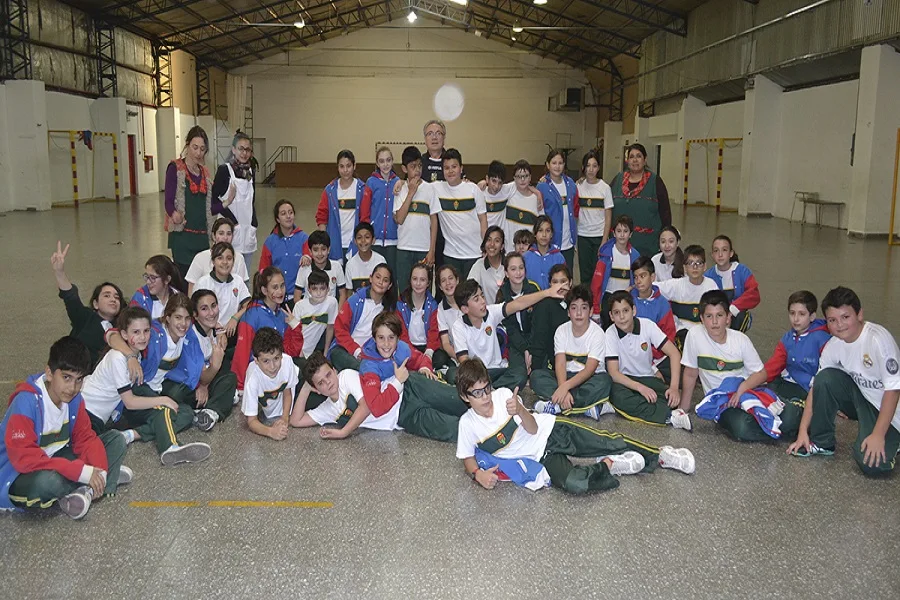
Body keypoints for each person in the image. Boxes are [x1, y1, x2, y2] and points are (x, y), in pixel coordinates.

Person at [455, 358, 694, 494]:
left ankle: (661, 455)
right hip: (540, 458)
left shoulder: (504, 396)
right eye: (476, 393)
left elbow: (533, 429)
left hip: (552, 431)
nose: (485, 396)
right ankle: (610, 465)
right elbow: (467, 458)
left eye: (486, 388)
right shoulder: (467, 424)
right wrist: (478, 475)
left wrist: (519, 410)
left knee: (606, 441)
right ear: (465, 396)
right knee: (575, 484)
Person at [0, 337, 130, 519]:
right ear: (50, 372)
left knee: (115, 440)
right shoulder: (26, 402)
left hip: (55, 460)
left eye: (79, 380)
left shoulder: (75, 400)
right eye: (66, 378)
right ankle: (99, 480)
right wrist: (80, 471)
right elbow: (25, 459)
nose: (72, 388)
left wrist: (97, 470)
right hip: (17, 475)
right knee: (48, 483)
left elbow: (85, 438)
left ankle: (91, 485)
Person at [788, 287, 900, 475]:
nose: (839, 325)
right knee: (826, 378)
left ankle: (893, 440)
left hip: (890, 408)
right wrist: (802, 432)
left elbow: (893, 390)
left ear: (859, 314)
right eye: (832, 320)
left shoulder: (878, 340)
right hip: (863, 399)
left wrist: (878, 435)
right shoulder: (833, 345)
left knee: (872, 465)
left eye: (845, 317)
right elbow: (816, 388)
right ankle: (823, 442)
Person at [87, 305, 212, 465]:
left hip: (105, 416)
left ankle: (154, 443)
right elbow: (130, 402)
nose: (143, 337)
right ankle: (170, 446)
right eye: (136, 332)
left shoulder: (136, 355)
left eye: (146, 331)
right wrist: (163, 399)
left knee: (177, 413)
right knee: (84, 451)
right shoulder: (118, 358)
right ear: (124, 334)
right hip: (88, 412)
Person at [292, 346, 466, 442]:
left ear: (334, 370)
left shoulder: (345, 376)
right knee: (453, 429)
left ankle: (493, 400)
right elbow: (296, 421)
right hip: (404, 417)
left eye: (328, 375)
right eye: (320, 383)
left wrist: (343, 432)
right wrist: (307, 387)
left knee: (460, 400)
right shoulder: (329, 409)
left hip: (409, 388)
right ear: (317, 389)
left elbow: (367, 406)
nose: (328, 382)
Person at [681, 291, 785, 442]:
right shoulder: (694, 335)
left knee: (786, 414)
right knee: (741, 427)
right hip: (722, 402)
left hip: (748, 391)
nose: (715, 322)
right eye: (709, 316)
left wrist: (741, 389)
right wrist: (683, 409)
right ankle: (775, 429)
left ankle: (777, 425)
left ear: (728, 318)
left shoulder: (741, 340)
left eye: (720, 315)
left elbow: (761, 374)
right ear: (702, 319)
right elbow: (691, 373)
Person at [447, 277, 567, 389]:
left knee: (519, 376)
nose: (483, 301)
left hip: (496, 371)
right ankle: (489, 389)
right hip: (476, 374)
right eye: (476, 299)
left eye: (482, 296)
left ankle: (486, 390)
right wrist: (476, 378)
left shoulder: (491, 313)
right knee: (452, 374)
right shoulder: (458, 326)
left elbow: (518, 304)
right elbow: (464, 360)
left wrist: (548, 292)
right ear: (465, 309)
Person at [605, 291, 691, 430]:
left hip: (647, 377)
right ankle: (670, 417)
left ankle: (652, 408)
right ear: (611, 316)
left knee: (671, 397)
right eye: (616, 313)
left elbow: (674, 353)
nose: (622, 317)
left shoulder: (647, 325)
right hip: (624, 382)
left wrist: (674, 388)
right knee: (617, 395)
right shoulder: (610, 333)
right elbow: (614, 373)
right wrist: (640, 388)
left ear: (634, 310)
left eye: (625, 311)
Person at [530, 285, 615, 420]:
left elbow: (590, 369)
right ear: (568, 312)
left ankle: (556, 406)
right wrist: (563, 386)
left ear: (591, 311)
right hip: (565, 377)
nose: (579, 313)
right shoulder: (561, 331)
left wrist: (564, 388)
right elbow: (560, 364)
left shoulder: (598, 333)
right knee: (536, 377)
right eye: (574, 308)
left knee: (605, 381)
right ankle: (587, 407)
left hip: (589, 378)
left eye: (584, 308)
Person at [50, 241, 125, 369]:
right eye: (106, 296)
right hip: (74, 372)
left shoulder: (122, 326)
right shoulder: (85, 318)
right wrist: (59, 273)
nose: (113, 299)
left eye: (116, 297)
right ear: (95, 303)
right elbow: (71, 297)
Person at [232, 267, 304, 392]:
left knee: (305, 368)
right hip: (259, 369)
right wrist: (241, 386)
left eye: (282, 286)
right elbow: (242, 352)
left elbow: (291, 351)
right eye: (275, 287)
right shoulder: (252, 315)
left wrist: (295, 327)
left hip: (277, 365)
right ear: (264, 290)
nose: (280, 291)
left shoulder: (282, 314)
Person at [331, 263, 410, 371]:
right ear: (371, 278)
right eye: (378, 277)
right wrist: (356, 350)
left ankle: (369, 370)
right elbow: (340, 330)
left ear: (390, 286)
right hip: (349, 349)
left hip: (374, 352)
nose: (381, 282)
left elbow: (401, 334)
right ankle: (366, 370)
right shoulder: (355, 300)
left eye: (385, 280)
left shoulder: (391, 308)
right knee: (336, 354)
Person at [164, 125, 218, 277]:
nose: (198, 153)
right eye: (195, 147)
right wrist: (173, 214)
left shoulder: (205, 172)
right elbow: (168, 201)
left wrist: (227, 203)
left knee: (202, 282)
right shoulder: (175, 168)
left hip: (202, 238)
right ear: (187, 145)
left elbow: (211, 205)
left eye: (202, 149)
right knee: (184, 280)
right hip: (182, 237)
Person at [763, 291, 831, 407]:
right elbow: (773, 365)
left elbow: (830, 373)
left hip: (807, 389)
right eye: (792, 313)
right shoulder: (787, 338)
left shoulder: (822, 339)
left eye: (802, 314)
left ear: (812, 316)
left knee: (786, 413)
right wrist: (754, 379)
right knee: (765, 388)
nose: (796, 319)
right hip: (786, 381)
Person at [610, 142, 672, 258]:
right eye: (631, 157)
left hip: (648, 247)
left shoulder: (655, 181)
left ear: (645, 160)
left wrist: (665, 239)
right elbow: (607, 207)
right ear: (627, 160)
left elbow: (665, 213)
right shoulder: (617, 180)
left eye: (638, 156)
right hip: (620, 246)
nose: (635, 160)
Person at [188, 289, 238, 432]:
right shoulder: (192, 337)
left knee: (230, 374)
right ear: (195, 315)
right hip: (193, 383)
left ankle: (211, 412)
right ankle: (215, 408)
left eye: (214, 306)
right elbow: (200, 375)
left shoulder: (214, 329)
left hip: (207, 378)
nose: (211, 312)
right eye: (204, 309)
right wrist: (203, 385)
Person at [433, 148, 488, 276]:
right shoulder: (436, 188)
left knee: (472, 294)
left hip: (474, 253)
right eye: (446, 168)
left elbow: (483, 219)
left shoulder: (473, 189)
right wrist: (400, 182)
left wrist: (486, 246)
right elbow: (418, 185)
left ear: (461, 168)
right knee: (452, 293)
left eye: (454, 166)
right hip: (451, 255)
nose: (450, 171)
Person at [393, 145, 440, 288]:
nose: (417, 170)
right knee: (405, 288)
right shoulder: (400, 189)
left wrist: (431, 250)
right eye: (413, 166)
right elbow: (399, 219)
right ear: (404, 169)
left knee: (423, 289)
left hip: (423, 248)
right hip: (404, 248)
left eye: (420, 165)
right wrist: (411, 192)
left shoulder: (430, 188)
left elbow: (434, 221)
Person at [655, 245, 718, 350]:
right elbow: (652, 287)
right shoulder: (676, 285)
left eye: (699, 263)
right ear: (684, 268)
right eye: (690, 263)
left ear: (705, 266)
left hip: (704, 333)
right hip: (681, 333)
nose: (695, 267)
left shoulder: (711, 286)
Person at [241, 327, 299, 441]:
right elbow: (251, 421)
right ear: (256, 360)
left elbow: (288, 392)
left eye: (276, 358)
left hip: (298, 385)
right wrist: (271, 432)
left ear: (282, 355)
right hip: (275, 409)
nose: (272, 367)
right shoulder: (252, 379)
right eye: (266, 361)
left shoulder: (287, 362)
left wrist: (285, 417)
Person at [211, 132, 258, 269]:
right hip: (230, 231)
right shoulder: (224, 170)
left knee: (245, 276)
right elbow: (213, 203)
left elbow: (251, 200)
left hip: (247, 231)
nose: (244, 153)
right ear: (233, 150)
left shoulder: (250, 171)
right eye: (240, 149)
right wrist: (234, 222)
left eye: (247, 149)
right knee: (227, 271)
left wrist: (254, 223)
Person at [630, 257, 677, 379]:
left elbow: (669, 335)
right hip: (633, 354)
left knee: (676, 373)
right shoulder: (628, 301)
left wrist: (652, 360)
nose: (638, 281)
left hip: (658, 356)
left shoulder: (662, 304)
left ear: (652, 277)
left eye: (642, 276)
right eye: (635, 277)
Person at [591, 214, 641, 328]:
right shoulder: (605, 255)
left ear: (631, 234)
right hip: (608, 299)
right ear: (614, 233)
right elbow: (596, 285)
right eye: (619, 231)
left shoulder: (635, 256)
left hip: (626, 299)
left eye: (625, 231)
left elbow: (637, 282)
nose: (622, 235)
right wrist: (595, 310)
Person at [496, 252, 540, 376]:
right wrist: (524, 349)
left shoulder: (533, 289)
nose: (518, 272)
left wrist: (530, 348)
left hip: (534, 339)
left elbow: (538, 323)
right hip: (514, 342)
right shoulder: (502, 295)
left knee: (538, 372)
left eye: (521, 268)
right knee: (519, 375)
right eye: (513, 269)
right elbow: (510, 328)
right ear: (506, 273)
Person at [258, 199, 309, 307]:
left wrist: (308, 258)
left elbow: (311, 262)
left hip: (299, 298)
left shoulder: (304, 238)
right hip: (275, 299)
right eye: (283, 214)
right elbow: (263, 270)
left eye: (290, 212)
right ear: (277, 219)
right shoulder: (270, 241)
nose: (288, 216)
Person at [316, 149, 364, 262]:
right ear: (337, 168)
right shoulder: (330, 190)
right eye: (342, 166)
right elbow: (322, 216)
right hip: (334, 245)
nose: (345, 170)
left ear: (354, 166)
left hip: (356, 245)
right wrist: (324, 241)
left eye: (348, 166)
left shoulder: (362, 189)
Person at [705, 235, 760, 332]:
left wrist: (733, 309)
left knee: (741, 317)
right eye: (716, 251)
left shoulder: (742, 271)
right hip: (716, 315)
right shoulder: (708, 276)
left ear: (731, 253)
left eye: (724, 250)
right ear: (712, 255)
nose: (720, 254)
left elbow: (754, 294)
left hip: (738, 315)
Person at [193, 242, 251, 332]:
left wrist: (235, 318)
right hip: (209, 331)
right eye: (220, 258)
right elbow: (196, 313)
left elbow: (249, 305)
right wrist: (216, 327)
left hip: (231, 331)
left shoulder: (238, 281)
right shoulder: (203, 283)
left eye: (229, 258)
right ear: (213, 261)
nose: (225, 262)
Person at [576, 149, 614, 287]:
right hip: (583, 236)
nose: (591, 169)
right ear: (583, 168)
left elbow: (608, 216)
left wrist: (604, 240)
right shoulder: (578, 186)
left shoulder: (605, 188)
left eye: (594, 165)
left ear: (598, 168)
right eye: (588, 165)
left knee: (597, 273)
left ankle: (597, 303)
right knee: (585, 274)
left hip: (599, 236)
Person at [536, 149, 579, 271]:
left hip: (568, 242)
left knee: (567, 276)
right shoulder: (542, 186)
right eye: (554, 163)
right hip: (551, 241)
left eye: (560, 163)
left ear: (564, 165)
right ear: (548, 165)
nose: (557, 166)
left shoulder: (571, 183)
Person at [360, 146, 401, 271]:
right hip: (375, 239)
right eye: (382, 161)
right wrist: (368, 233)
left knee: (392, 276)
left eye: (388, 160)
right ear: (377, 163)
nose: (385, 164)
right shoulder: (371, 182)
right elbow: (365, 211)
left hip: (393, 238)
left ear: (392, 161)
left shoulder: (398, 182)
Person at [185, 217, 250, 295]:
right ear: (213, 236)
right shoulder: (200, 258)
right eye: (221, 233)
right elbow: (191, 291)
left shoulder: (239, 258)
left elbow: (242, 290)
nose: (225, 238)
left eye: (229, 234)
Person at [529, 264, 574, 373]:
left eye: (563, 281)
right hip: (553, 361)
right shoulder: (544, 305)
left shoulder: (577, 302)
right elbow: (539, 339)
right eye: (555, 282)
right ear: (550, 284)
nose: (560, 286)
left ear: (570, 282)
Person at [292, 270, 339, 358]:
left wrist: (326, 353)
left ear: (328, 289)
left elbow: (330, 327)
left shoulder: (331, 303)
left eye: (322, 288)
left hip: (310, 353)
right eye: (314, 289)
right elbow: (294, 333)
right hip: (296, 350)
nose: (318, 292)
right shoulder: (299, 306)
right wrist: (298, 351)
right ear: (308, 290)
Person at [398, 262, 440, 356]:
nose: (418, 283)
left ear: (428, 283)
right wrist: (413, 353)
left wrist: (429, 352)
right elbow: (401, 332)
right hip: (407, 346)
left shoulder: (433, 305)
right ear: (410, 280)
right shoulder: (400, 304)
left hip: (426, 346)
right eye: (415, 279)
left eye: (422, 280)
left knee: (441, 358)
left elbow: (433, 331)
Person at [295, 230, 347, 304]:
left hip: (330, 312)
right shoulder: (304, 268)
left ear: (328, 250)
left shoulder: (336, 266)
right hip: (310, 313)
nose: (320, 254)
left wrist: (338, 314)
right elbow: (297, 297)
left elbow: (343, 294)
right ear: (310, 251)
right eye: (315, 250)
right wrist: (306, 312)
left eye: (323, 249)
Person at [131, 254, 186, 319]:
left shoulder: (178, 298)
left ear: (167, 279)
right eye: (147, 277)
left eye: (153, 277)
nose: (148, 282)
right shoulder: (139, 298)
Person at [505, 160, 544, 244]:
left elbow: (541, 225)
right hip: (509, 250)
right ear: (514, 178)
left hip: (529, 251)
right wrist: (484, 182)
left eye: (525, 176)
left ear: (530, 177)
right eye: (519, 176)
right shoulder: (508, 191)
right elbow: (494, 188)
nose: (522, 180)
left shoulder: (537, 199)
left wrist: (537, 193)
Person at [523, 216, 565, 291]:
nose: (544, 235)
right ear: (535, 234)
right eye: (540, 230)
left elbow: (564, 283)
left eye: (548, 231)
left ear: (552, 234)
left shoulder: (559, 258)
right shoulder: (526, 257)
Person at [467, 226, 506, 307]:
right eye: (489, 240)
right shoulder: (479, 265)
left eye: (497, 241)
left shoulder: (509, 263)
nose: (492, 244)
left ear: (502, 246)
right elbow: (469, 290)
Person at [434, 264, 462, 372]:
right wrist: (462, 358)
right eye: (443, 280)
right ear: (440, 286)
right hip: (457, 355)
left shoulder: (468, 299)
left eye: (451, 278)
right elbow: (445, 344)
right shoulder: (441, 309)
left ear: (457, 280)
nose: (448, 283)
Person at [344, 222, 386, 292]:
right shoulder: (350, 264)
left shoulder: (380, 261)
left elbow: (384, 288)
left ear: (373, 240)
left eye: (367, 237)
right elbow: (349, 293)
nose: (363, 241)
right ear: (355, 241)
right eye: (359, 238)